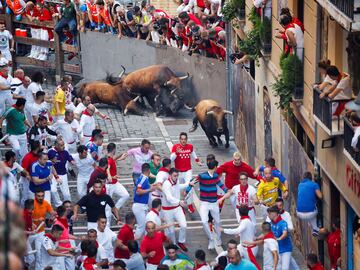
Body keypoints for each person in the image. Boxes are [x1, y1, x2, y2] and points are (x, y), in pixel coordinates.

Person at [188, 159, 227, 249]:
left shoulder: (216, 176)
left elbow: (221, 185)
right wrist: (188, 189)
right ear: (215, 167)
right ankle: (211, 239)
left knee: (217, 221)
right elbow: (192, 181)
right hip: (204, 203)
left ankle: (218, 238)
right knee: (204, 221)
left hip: (214, 203)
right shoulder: (202, 176)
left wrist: (227, 191)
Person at [170, 132, 202, 212]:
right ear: (179, 139)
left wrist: (197, 160)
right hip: (178, 172)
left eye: (185, 139)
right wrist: (176, 153)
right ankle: (181, 204)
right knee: (180, 188)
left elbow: (192, 153)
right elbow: (171, 159)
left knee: (189, 188)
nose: (183, 141)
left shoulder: (190, 146)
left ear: (186, 140)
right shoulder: (175, 147)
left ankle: (190, 204)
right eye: (182, 139)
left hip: (188, 170)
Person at [161, 168, 188, 251]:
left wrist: (188, 184)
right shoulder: (166, 184)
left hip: (176, 208)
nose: (176, 177)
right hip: (167, 210)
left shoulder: (177, 181)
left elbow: (178, 187)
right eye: (175, 176)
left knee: (184, 225)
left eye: (177, 175)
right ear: (170, 175)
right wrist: (179, 202)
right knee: (171, 231)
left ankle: (181, 241)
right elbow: (169, 198)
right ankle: (173, 244)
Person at [32, 189, 57, 270]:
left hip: (40, 232)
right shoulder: (31, 204)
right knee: (27, 255)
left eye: (42, 196)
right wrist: (36, 220)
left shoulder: (46, 203)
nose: (40, 198)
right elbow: (25, 218)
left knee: (39, 254)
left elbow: (52, 213)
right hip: (30, 232)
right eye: (38, 196)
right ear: (35, 196)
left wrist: (53, 217)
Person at [132, 163, 157, 238]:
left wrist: (154, 186)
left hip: (142, 206)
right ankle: (133, 244)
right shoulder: (143, 179)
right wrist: (150, 189)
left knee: (146, 226)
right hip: (139, 206)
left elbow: (148, 187)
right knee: (141, 227)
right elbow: (138, 191)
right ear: (149, 170)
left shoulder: (144, 178)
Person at [48, 138, 75, 202]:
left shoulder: (65, 152)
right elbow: (45, 161)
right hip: (53, 175)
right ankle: (58, 204)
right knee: (53, 190)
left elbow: (71, 159)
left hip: (63, 174)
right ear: (56, 145)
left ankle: (68, 205)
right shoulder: (50, 152)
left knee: (67, 194)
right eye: (61, 145)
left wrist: (73, 162)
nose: (63, 146)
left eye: (63, 145)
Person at [267, 206, 294, 270]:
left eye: (269, 214)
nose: (268, 215)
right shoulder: (271, 224)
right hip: (277, 250)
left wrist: (278, 239)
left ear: (274, 214)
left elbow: (285, 234)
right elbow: (266, 233)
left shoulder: (283, 223)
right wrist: (257, 239)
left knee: (285, 268)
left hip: (286, 249)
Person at [296, 171, 322, 236]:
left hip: (299, 213)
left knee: (308, 208)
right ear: (311, 178)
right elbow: (320, 196)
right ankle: (316, 228)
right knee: (314, 208)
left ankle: (314, 229)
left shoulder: (300, 185)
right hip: (311, 213)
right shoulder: (314, 185)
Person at [54, 205, 77, 270]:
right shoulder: (57, 224)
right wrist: (62, 241)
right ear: (65, 212)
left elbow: (66, 235)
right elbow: (55, 240)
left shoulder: (65, 221)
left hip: (68, 250)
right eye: (66, 210)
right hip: (60, 252)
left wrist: (78, 238)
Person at [20, 140, 41, 206]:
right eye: (40, 146)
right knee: (26, 197)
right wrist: (28, 175)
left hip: (35, 178)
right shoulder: (27, 157)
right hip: (27, 180)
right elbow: (23, 171)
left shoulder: (39, 155)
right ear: (37, 148)